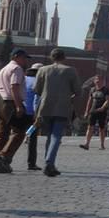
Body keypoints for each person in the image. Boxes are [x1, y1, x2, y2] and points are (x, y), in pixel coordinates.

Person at [32, 49, 82, 177]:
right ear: (64, 57)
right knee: (56, 136)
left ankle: (50, 164)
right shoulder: (70, 71)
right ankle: (49, 162)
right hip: (62, 107)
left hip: (45, 107)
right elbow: (78, 91)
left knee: (50, 135)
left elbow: (37, 89)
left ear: (51, 57)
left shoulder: (43, 70)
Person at [0, 47, 31, 174]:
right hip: (11, 102)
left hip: (0, 101)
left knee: (2, 133)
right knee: (19, 132)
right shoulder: (17, 69)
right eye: (24, 58)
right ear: (16, 57)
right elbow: (14, 87)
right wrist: (19, 105)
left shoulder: (3, 69)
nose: (26, 61)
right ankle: (3, 156)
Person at [80, 77, 109, 151]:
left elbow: (108, 100)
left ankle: (102, 145)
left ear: (102, 81)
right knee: (90, 127)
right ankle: (87, 144)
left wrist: (103, 107)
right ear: (94, 81)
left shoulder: (106, 90)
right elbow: (89, 101)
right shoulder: (92, 89)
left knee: (101, 129)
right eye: (96, 80)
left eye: (99, 80)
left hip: (102, 111)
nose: (97, 81)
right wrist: (86, 111)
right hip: (93, 111)